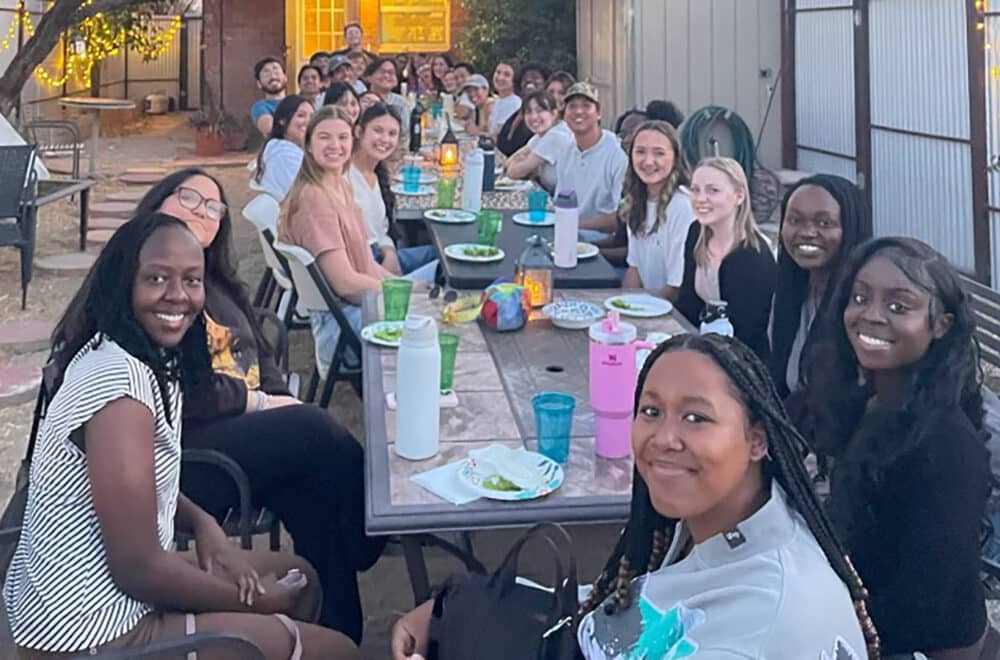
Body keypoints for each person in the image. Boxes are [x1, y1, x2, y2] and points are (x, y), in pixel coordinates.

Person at [391, 333, 879, 660]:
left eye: (696, 418)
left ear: (757, 439)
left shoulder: (759, 623)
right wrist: (447, 610)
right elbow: (626, 604)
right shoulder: (715, 519)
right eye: (651, 411)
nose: (664, 438)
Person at [4, 213, 359, 660]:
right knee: (338, 651)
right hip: (90, 633)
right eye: (156, 278)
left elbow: (140, 489)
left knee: (301, 577)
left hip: (114, 595)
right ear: (123, 283)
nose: (178, 295)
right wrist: (257, 603)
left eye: (192, 280)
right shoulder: (118, 389)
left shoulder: (145, 356)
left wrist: (203, 524)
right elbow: (138, 569)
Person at [135, 169, 386, 644]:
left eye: (213, 206)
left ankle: (339, 633)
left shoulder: (216, 282)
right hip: (187, 456)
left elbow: (257, 354)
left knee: (310, 488)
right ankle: (370, 534)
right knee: (314, 428)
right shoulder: (147, 284)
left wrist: (276, 395)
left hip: (238, 432)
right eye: (188, 197)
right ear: (158, 202)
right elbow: (180, 389)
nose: (201, 211)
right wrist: (261, 401)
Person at [802, 237, 990, 659]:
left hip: (928, 645)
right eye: (859, 298)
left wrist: (819, 622)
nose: (871, 315)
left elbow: (923, 602)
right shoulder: (868, 399)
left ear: (940, 325)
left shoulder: (947, 446)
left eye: (898, 306)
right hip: (866, 612)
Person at [279, 106, 393, 378]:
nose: (335, 145)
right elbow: (345, 283)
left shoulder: (340, 184)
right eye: (324, 137)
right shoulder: (315, 199)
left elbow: (366, 263)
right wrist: (401, 293)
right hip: (340, 330)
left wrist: (407, 287)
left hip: (357, 309)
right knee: (430, 325)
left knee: (436, 292)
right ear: (309, 145)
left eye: (342, 137)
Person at [769, 174, 872, 399]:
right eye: (795, 220)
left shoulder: (863, 309)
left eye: (824, 223)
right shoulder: (790, 292)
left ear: (850, 229)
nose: (807, 232)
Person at [675, 157, 776, 362]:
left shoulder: (753, 257)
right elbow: (687, 303)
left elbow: (747, 334)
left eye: (713, 190)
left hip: (742, 360)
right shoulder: (696, 233)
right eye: (695, 190)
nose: (701, 198)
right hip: (705, 345)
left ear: (739, 196)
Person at [349, 103, 437, 277]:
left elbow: (381, 230)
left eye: (392, 134)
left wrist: (390, 254)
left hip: (382, 254)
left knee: (444, 253)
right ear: (359, 132)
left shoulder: (376, 175)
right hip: (364, 264)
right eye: (378, 131)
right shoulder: (346, 176)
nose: (385, 139)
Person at [620, 120, 695, 302]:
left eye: (659, 153)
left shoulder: (683, 206)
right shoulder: (635, 201)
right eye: (640, 152)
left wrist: (637, 306)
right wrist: (621, 305)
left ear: (675, 158)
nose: (648, 161)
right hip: (646, 305)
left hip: (675, 310)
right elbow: (634, 270)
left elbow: (675, 288)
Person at [543, 82, 627, 240]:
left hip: (602, 240)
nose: (578, 111)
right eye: (572, 106)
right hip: (567, 233)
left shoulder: (616, 155)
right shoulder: (566, 151)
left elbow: (620, 218)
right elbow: (562, 202)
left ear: (598, 113)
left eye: (586, 106)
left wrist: (576, 224)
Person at [503, 90, 573, 194]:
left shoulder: (557, 136)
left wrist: (524, 163)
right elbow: (508, 163)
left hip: (572, 201)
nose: (534, 117)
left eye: (540, 110)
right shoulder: (541, 135)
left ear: (554, 113)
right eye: (528, 112)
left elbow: (513, 172)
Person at [252, 94, 314, 200]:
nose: (308, 121)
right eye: (301, 116)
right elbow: (307, 194)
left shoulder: (284, 148)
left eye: (312, 117)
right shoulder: (284, 154)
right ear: (282, 120)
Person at [496, 62, 552, 156]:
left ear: (545, 84)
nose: (529, 80)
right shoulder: (518, 114)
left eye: (535, 77)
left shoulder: (545, 118)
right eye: (525, 79)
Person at [251, 56, 288, 136]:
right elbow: (270, 129)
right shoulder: (260, 106)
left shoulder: (298, 102)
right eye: (266, 73)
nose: (273, 76)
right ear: (259, 83)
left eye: (276, 71)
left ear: (285, 78)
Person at [487, 61, 521, 137]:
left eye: (506, 75)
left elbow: (498, 134)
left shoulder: (514, 103)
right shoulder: (497, 100)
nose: (500, 78)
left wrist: (476, 132)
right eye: (498, 72)